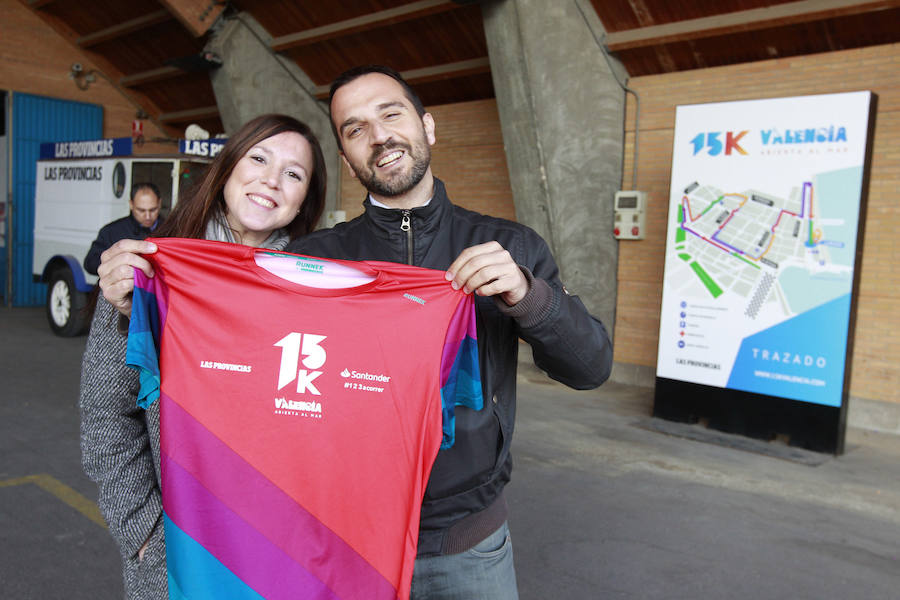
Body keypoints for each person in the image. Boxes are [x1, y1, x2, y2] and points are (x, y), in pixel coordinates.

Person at [98, 65, 613, 600]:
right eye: (355, 128)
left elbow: (591, 367)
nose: (379, 136)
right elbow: (236, 369)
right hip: (336, 539)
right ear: (346, 158)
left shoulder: (508, 247)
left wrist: (528, 295)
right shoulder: (313, 258)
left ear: (427, 127)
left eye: (391, 114)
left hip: (465, 548)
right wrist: (143, 306)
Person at [79, 113, 326, 600]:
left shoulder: (318, 294)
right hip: (177, 557)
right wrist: (147, 533)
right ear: (228, 167)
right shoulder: (152, 270)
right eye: (258, 158)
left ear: (303, 202)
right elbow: (106, 416)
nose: (271, 180)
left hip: (281, 558)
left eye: (293, 174)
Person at [83, 183, 163, 275]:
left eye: (153, 210)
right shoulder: (111, 231)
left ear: (159, 203)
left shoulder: (171, 230)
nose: (148, 216)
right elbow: (90, 263)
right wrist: (117, 262)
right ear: (131, 204)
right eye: (141, 210)